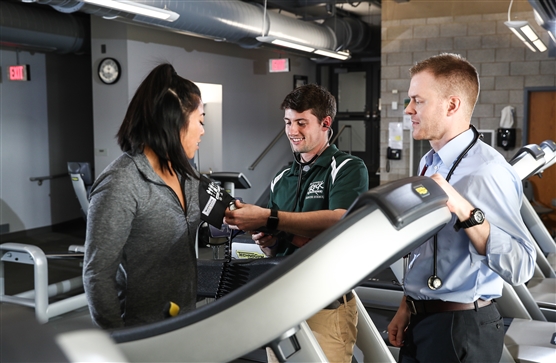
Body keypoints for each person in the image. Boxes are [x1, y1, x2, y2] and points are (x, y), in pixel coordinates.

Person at [387, 53, 536, 362]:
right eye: (409, 100)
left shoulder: (488, 171)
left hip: (462, 327)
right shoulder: (430, 161)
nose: (409, 109)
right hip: (422, 319)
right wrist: (407, 306)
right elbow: (428, 250)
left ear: (451, 105)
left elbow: (521, 265)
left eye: (418, 101)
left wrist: (464, 209)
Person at [224, 84, 369, 363]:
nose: (292, 131)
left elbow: (340, 220)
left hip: (324, 304)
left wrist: (271, 218)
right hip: (281, 302)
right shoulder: (281, 178)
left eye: (302, 123)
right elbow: (275, 247)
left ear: (326, 123)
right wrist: (268, 238)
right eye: (288, 122)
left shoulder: (347, 167)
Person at [83, 63, 205, 329]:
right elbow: (97, 275)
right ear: (176, 122)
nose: (203, 131)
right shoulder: (122, 183)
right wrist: (122, 343)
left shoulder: (187, 174)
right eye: (200, 120)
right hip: (141, 330)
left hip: (184, 318)